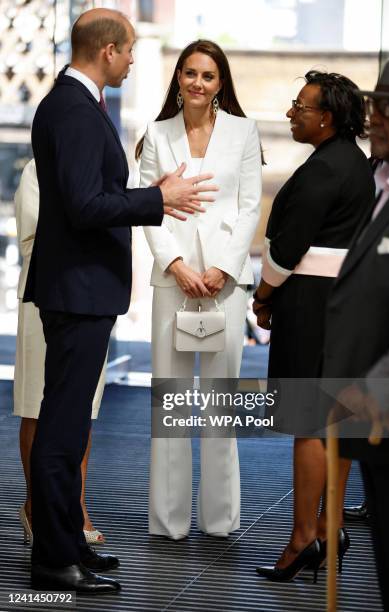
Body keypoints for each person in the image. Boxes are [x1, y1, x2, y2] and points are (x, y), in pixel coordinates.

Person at [24, 9, 218, 594]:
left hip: (80, 289)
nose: (135, 59)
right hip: (78, 291)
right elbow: (87, 205)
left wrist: (150, 198)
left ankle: (68, 542)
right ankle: (55, 559)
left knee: (70, 428)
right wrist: (156, 198)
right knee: (62, 431)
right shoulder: (76, 111)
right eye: (129, 49)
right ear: (106, 51)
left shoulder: (74, 105)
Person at [136, 39, 262, 540]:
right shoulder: (156, 132)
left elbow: (250, 206)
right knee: (169, 403)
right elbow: (148, 207)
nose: (197, 83)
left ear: (220, 84)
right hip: (173, 281)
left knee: (219, 403)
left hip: (224, 286)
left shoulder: (245, 132)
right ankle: (168, 523)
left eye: (207, 76)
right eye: (189, 73)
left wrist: (224, 269)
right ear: (179, 78)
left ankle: (220, 520)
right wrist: (177, 264)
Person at [253, 70, 375, 581]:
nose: (290, 114)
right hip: (342, 306)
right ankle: (328, 529)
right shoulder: (356, 163)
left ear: (326, 118)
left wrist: (263, 296)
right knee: (336, 425)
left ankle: (304, 539)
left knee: (307, 426)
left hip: (310, 306)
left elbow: (287, 246)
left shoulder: (324, 169)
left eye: (300, 108)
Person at [321, 58, 389, 611]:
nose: (377, 118)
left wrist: (378, 389)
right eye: (376, 105)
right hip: (376, 426)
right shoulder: (383, 186)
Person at [14, 159, 106, 546]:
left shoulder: (103, 170)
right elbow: (34, 235)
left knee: (82, 407)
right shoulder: (38, 169)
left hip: (92, 293)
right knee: (37, 402)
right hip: (45, 294)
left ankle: (76, 506)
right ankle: (35, 505)